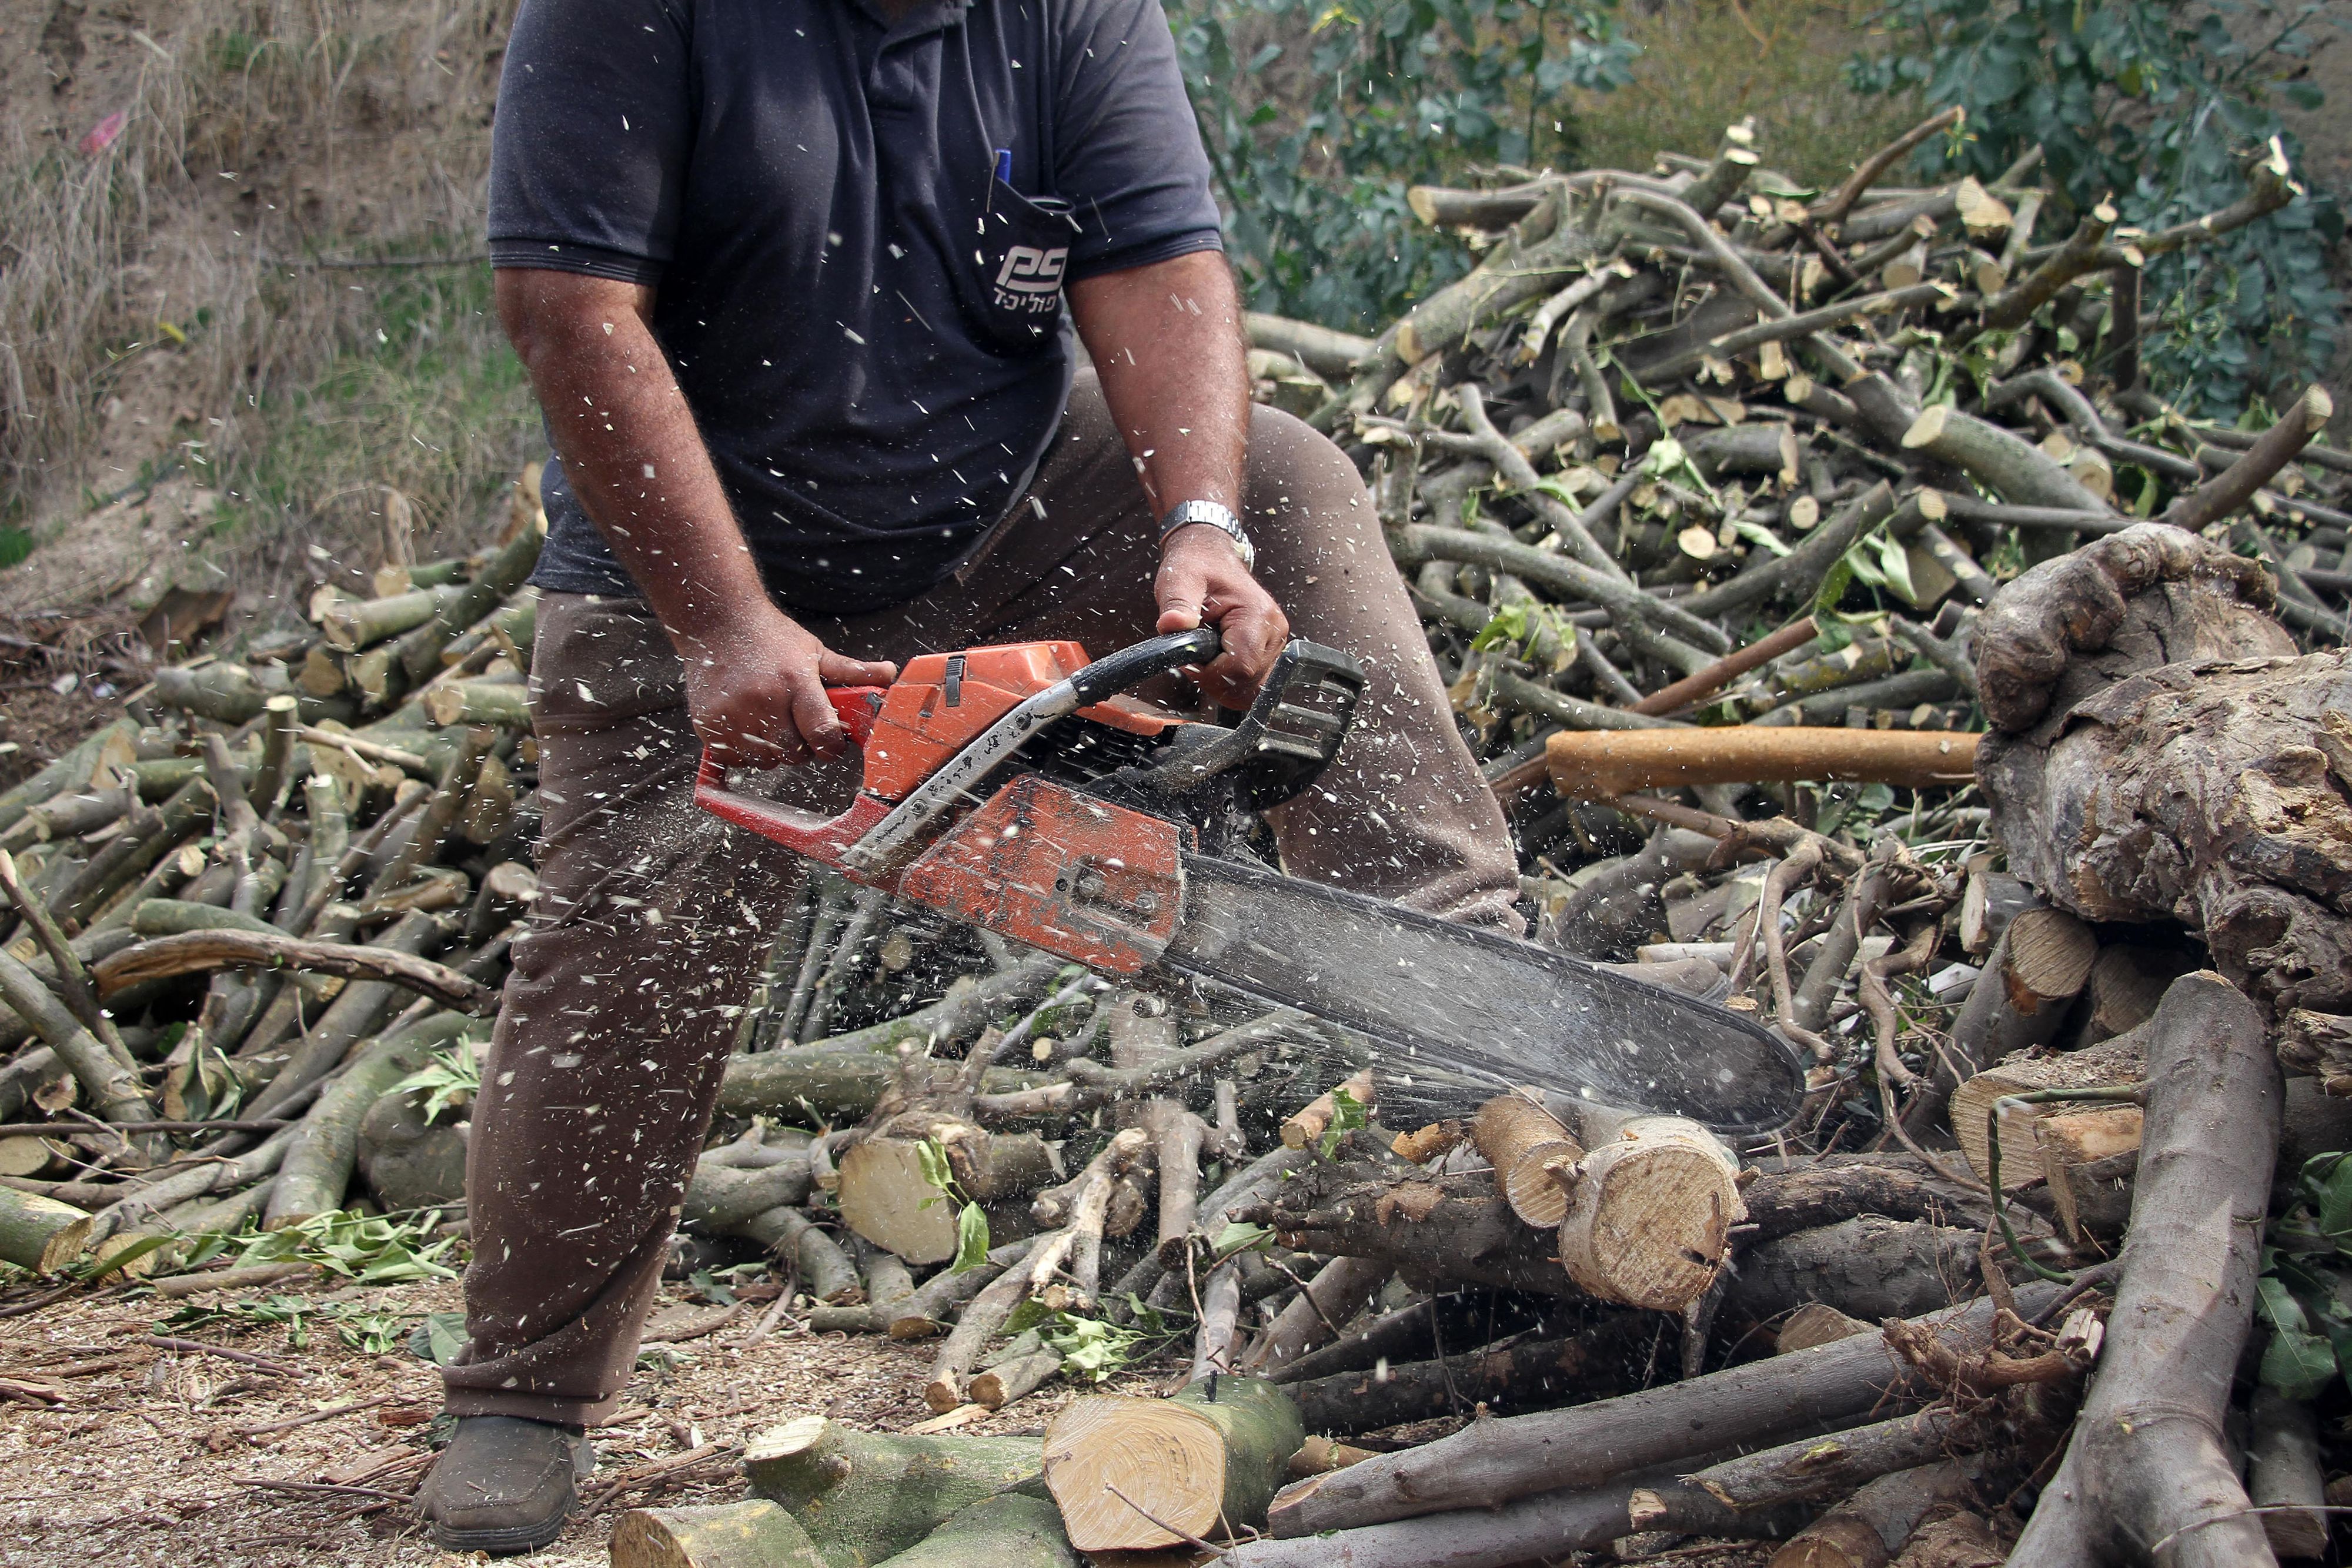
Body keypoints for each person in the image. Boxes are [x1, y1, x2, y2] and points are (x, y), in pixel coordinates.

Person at [416, 0, 1521, 1550]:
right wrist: (723, 622)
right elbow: (568, 311)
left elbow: (1156, 264)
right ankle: (521, 1392)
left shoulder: (1066, 13)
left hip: (1000, 502)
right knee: (632, 935)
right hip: (687, 561)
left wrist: (1199, 524)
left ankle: (1478, 1017)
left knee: (1287, 475)